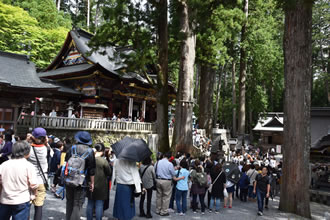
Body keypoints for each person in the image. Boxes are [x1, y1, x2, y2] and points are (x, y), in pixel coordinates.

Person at [0, 141, 38, 220]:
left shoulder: (3, 165)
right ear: (27, 152)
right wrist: (34, 194)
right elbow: (33, 185)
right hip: (22, 200)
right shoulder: (29, 166)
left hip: (5, 199)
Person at [65, 131, 96, 220]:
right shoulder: (90, 151)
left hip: (69, 179)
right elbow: (92, 169)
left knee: (69, 201)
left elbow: (66, 162)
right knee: (77, 203)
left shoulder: (72, 148)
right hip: (82, 182)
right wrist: (92, 183)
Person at [28, 127, 49, 220]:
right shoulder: (47, 149)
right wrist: (46, 142)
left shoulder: (28, 149)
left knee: (26, 206)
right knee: (39, 206)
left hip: (29, 180)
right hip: (41, 180)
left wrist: (28, 140)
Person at [86, 143, 111, 220]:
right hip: (101, 186)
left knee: (90, 204)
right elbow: (109, 172)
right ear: (102, 151)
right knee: (99, 205)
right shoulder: (103, 161)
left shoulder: (88, 159)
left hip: (90, 184)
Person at [154, 152, 177, 216]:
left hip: (158, 180)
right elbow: (173, 173)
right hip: (166, 181)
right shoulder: (169, 164)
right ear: (169, 157)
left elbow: (154, 171)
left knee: (159, 196)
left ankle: (158, 209)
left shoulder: (157, 162)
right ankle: (163, 211)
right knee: (166, 196)